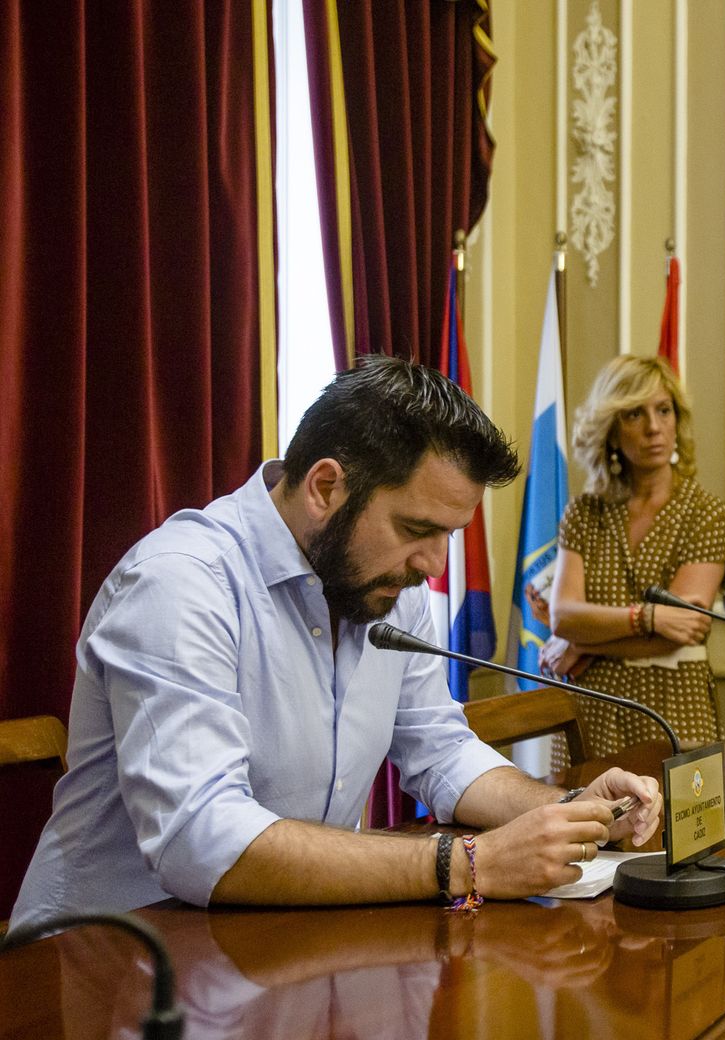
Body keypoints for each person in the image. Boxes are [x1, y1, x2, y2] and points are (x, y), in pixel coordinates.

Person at [11, 357, 662, 931]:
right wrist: (469, 862)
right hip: (100, 966)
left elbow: (439, 749)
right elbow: (201, 839)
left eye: (448, 537)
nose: (433, 564)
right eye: (416, 527)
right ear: (326, 487)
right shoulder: (180, 582)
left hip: (274, 944)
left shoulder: (383, 585)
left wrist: (572, 812)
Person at [540, 354, 725, 763]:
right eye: (633, 415)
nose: (654, 428)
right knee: (586, 824)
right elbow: (563, 615)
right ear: (610, 430)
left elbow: (682, 630)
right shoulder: (584, 512)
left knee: (674, 825)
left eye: (664, 411)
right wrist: (648, 617)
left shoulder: (705, 512)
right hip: (592, 709)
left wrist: (584, 644)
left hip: (675, 709)